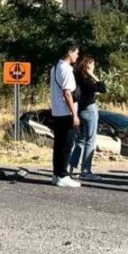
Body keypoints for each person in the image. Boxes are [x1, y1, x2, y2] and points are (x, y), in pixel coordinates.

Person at [49, 42, 81, 188]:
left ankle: (56, 174)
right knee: (67, 145)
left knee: (58, 144)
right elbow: (67, 93)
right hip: (66, 112)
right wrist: (74, 114)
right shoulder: (66, 69)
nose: (77, 55)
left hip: (56, 111)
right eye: (76, 52)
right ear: (69, 52)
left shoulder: (55, 67)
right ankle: (63, 174)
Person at [69, 55, 106, 181]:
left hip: (80, 109)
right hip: (89, 109)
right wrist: (92, 75)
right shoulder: (86, 80)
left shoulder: (77, 77)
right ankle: (86, 171)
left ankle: (70, 166)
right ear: (87, 65)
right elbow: (102, 88)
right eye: (92, 63)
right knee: (90, 140)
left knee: (81, 140)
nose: (94, 66)